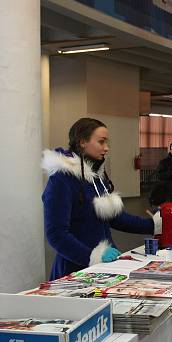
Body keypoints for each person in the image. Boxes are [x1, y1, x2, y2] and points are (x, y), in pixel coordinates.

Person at [42, 118, 159, 280]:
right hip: (75, 272)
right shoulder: (62, 180)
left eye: (107, 142)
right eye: (101, 142)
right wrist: (92, 255)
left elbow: (115, 218)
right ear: (83, 142)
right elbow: (56, 234)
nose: (106, 148)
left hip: (104, 269)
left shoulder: (95, 178)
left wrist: (155, 225)